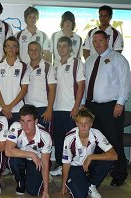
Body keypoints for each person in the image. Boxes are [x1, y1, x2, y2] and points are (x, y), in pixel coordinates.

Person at [84, 30, 130, 186]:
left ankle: (119, 175)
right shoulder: (89, 60)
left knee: (114, 141)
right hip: (91, 107)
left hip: (111, 107)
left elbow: (125, 82)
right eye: (94, 41)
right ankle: (96, 175)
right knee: (95, 142)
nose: (97, 44)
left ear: (107, 40)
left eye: (100, 40)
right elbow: (86, 85)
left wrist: (120, 103)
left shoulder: (118, 59)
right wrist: (84, 103)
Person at [61, 108, 118, 198]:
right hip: (75, 166)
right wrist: (63, 184)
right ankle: (80, 182)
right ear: (76, 124)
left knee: (108, 160)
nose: (83, 126)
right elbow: (66, 163)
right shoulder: (69, 137)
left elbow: (114, 155)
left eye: (86, 123)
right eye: (81, 123)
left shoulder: (96, 133)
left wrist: (91, 157)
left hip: (89, 163)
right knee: (80, 195)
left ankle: (92, 185)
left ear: (91, 124)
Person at [50, 36, 85, 176]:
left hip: (71, 110)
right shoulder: (55, 65)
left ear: (70, 48)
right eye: (59, 46)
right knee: (59, 139)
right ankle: (60, 165)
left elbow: (81, 86)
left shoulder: (76, 63)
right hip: (57, 109)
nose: (61, 49)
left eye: (64, 46)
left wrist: (76, 107)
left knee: (72, 140)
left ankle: (75, 168)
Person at [5, 104, 52, 197]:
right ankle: (20, 181)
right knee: (12, 161)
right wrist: (31, 154)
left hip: (38, 161)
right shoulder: (15, 127)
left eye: (29, 121)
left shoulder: (45, 136)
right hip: (23, 157)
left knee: (33, 192)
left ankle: (32, 175)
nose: (25, 125)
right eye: (22, 121)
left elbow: (45, 163)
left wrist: (46, 190)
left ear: (36, 121)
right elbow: (8, 151)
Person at [0, 36, 29, 126]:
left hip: (18, 110)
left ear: (17, 49)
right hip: (2, 110)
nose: (11, 48)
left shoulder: (23, 66)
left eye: (13, 46)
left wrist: (10, 107)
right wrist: (4, 107)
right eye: (8, 46)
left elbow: (24, 90)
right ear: (4, 48)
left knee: (17, 138)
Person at [24, 41, 56, 131]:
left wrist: (49, 109)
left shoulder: (47, 66)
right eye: (31, 50)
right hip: (28, 107)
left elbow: (52, 89)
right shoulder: (24, 67)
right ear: (27, 52)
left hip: (43, 109)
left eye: (36, 50)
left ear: (41, 51)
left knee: (45, 136)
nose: (33, 52)